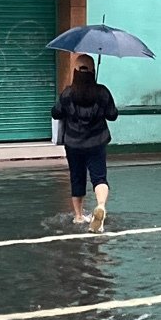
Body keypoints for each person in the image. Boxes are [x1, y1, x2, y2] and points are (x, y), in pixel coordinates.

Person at [51, 54, 119, 232]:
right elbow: (113, 115)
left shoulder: (67, 93)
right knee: (99, 177)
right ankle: (101, 206)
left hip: (73, 144)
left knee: (77, 177)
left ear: (75, 71)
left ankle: (79, 216)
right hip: (96, 142)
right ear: (93, 71)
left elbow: (56, 113)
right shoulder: (102, 92)